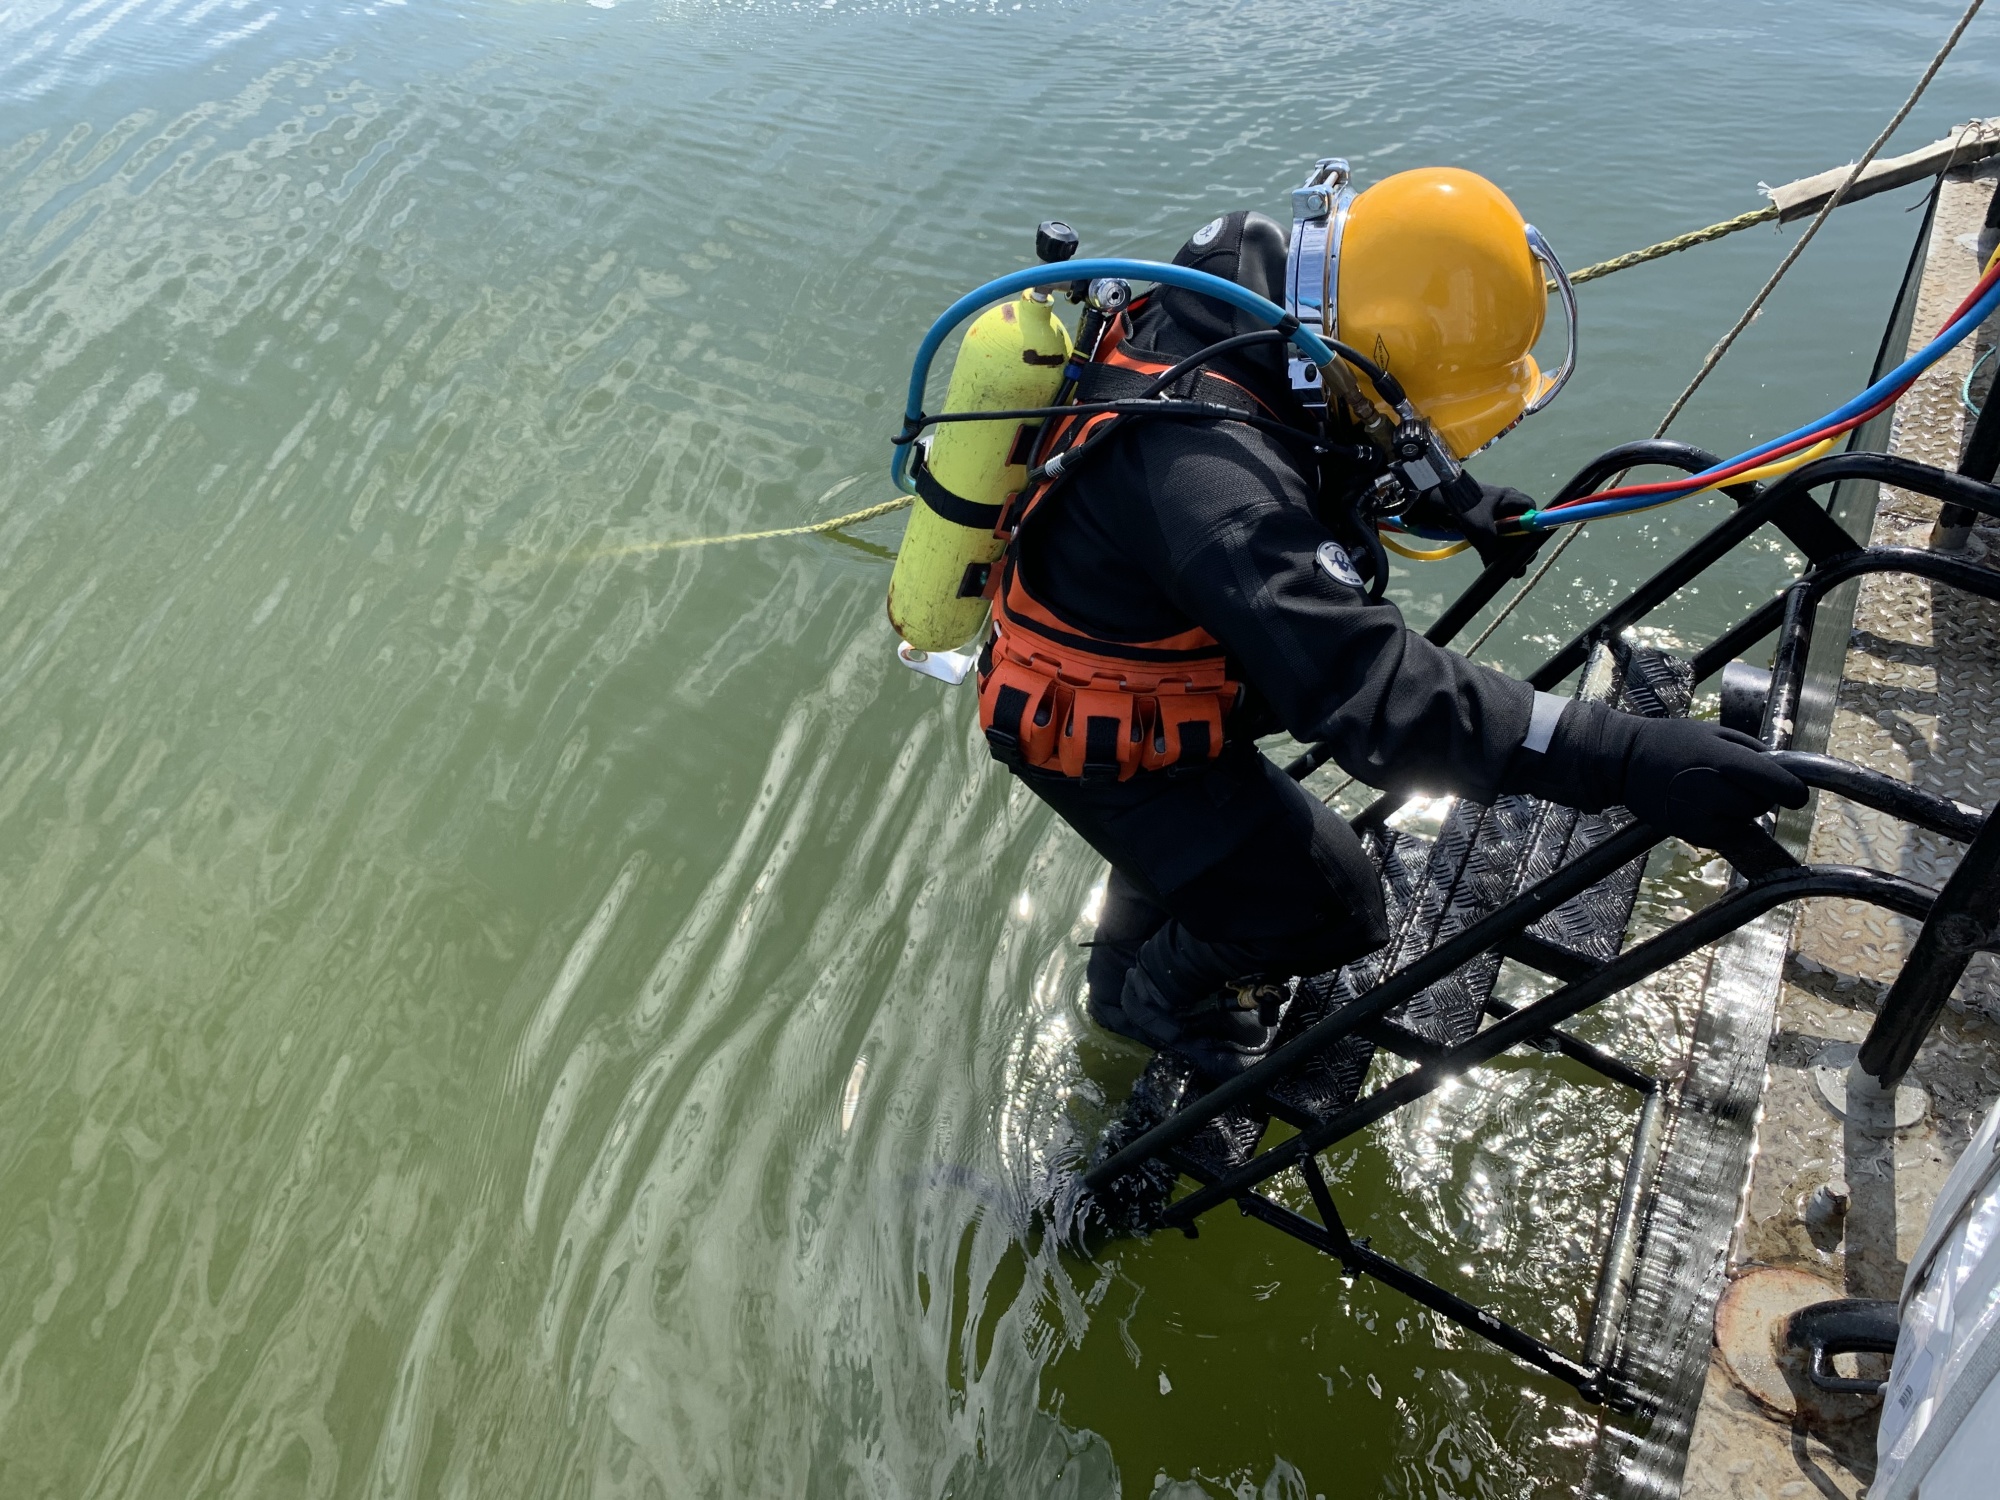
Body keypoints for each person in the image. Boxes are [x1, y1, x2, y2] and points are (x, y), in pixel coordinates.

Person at [974, 165, 1806, 1080]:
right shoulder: (1215, 494)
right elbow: (1377, 698)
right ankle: (1150, 1003)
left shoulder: (1247, 298)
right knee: (1336, 908)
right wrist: (1622, 756)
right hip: (1093, 725)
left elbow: (1332, 432)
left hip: (1153, 645)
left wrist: (1451, 500)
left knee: (1200, 849)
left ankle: (1166, 915)